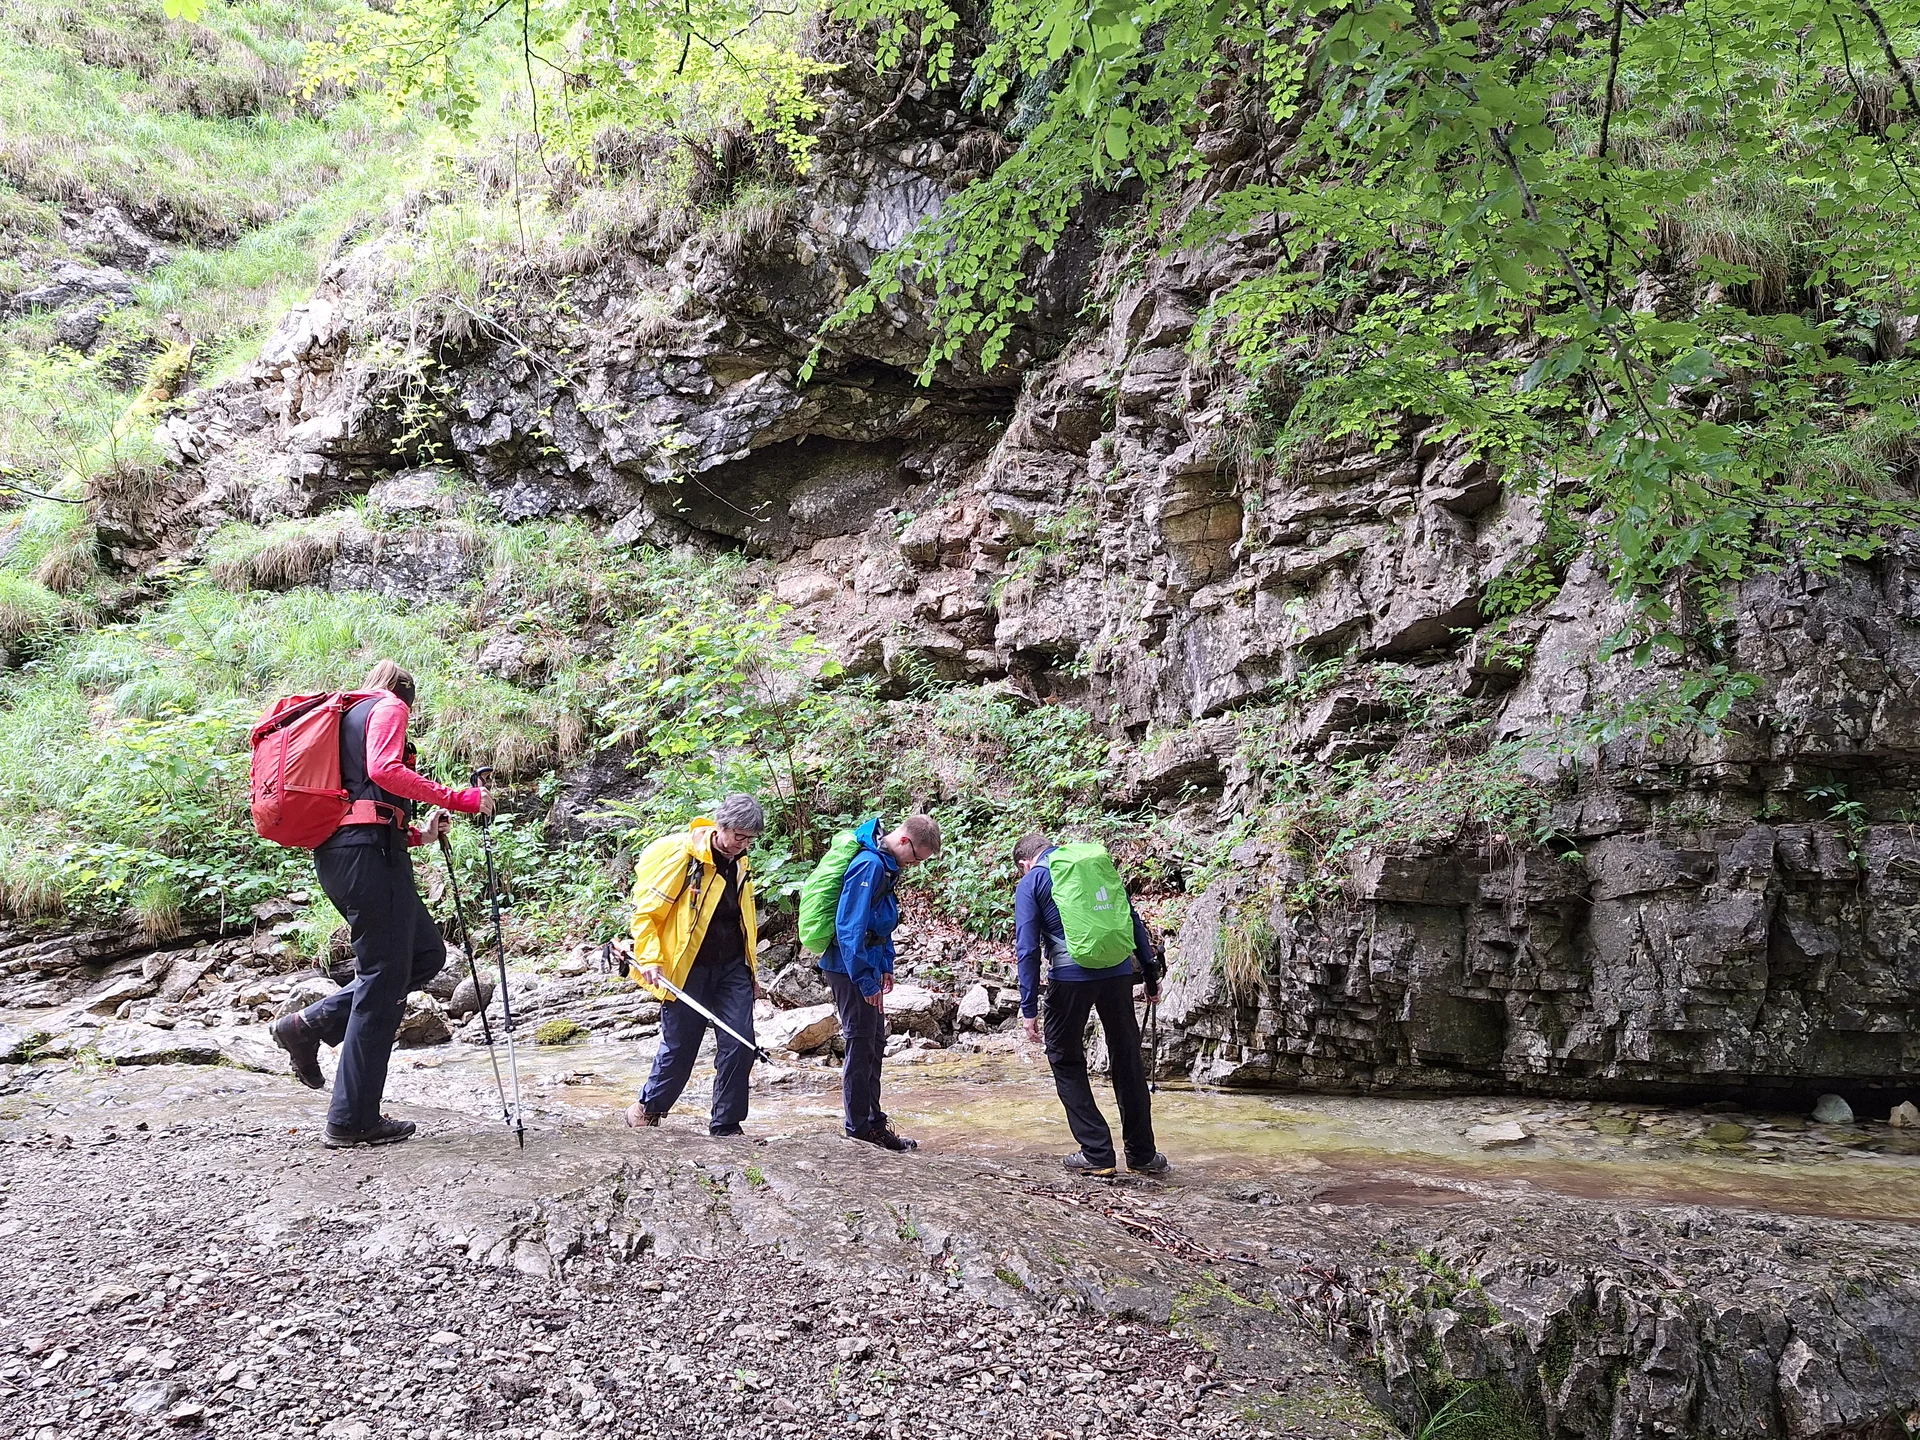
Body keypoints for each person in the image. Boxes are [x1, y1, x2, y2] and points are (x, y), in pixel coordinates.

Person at [270, 661, 493, 1148]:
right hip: (370, 859)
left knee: (425, 955)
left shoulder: (343, 717)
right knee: (383, 981)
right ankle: (351, 1120)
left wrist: (418, 834)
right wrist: (461, 799)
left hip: (349, 855)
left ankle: (308, 1024)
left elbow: (357, 801)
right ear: (404, 693)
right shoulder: (388, 705)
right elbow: (385, 771)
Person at [1012, 832, 1168, 1177]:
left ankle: (1097, 1152)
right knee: (1128, 1058)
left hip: (1070, 979)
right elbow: (1132, 920)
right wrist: (1150, 975)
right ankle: (1143, 1155)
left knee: (1065, 1058)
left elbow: (1028, 948)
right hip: (1118, 974)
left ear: (1025, 863)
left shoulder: (1032, 881)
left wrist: (1029, 1007)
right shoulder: (1096, 867)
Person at [623, 795, 765, 1136]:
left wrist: (752, 971)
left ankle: (727, 1125)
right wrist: (651, 959)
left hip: (732, 967)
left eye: (750, 839)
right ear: (721, 827)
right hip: (688, 968)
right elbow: (647, 915)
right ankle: (648, 1108)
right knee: (681, 1047)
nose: (744, 844)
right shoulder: (685, 860)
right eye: (739, 836)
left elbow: (744, 920)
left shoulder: (740, 862)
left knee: (741, 1043)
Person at [819, 815, 941, 1151]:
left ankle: (873, 1123)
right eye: (915, 859)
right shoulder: (869, 866)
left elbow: (882, 922)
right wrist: (865, 980)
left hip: (868, 965)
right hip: (848, 968)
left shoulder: (887, 866)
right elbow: (849, 927)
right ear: (904, 841)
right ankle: (860, 1129)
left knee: (874, 1043)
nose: (914, 866)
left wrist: (886, 965)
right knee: (861, 1044)